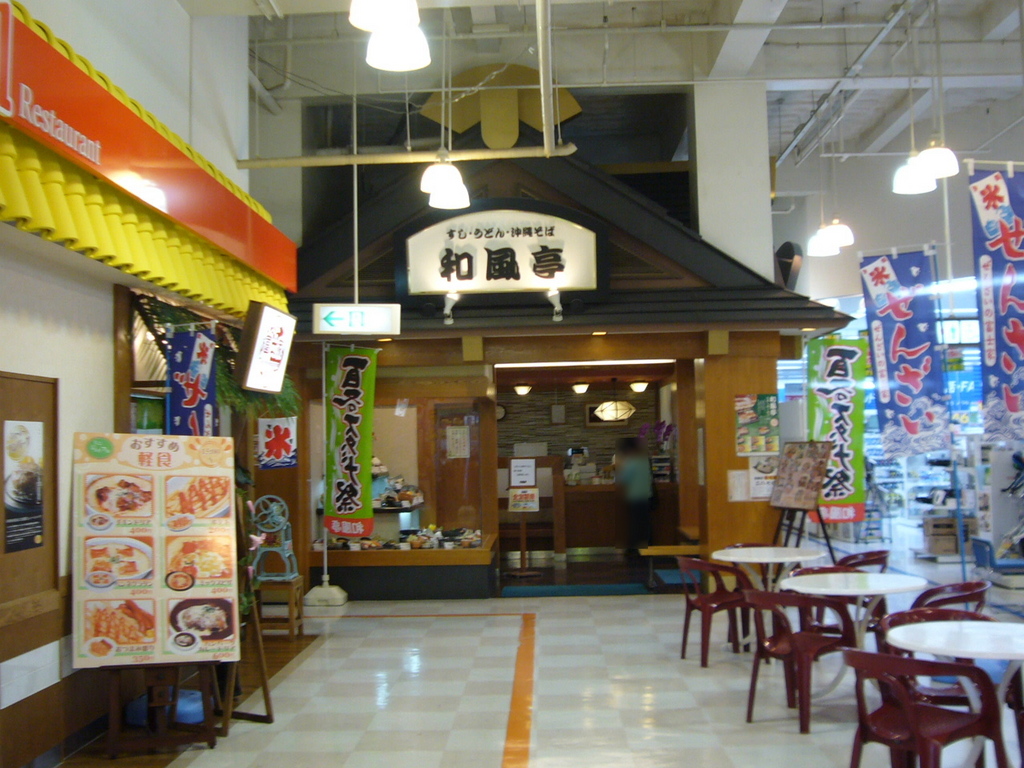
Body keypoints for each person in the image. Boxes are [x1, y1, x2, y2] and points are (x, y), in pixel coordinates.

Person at [614, 437, 654, 555]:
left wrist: (619, 466)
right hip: (646, 496)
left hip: (635, 497)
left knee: (636, 524)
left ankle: (635, 550)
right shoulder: (644, 461)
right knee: (645, 523)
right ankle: (648, 548)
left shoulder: (631, 462)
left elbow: (622, 479)